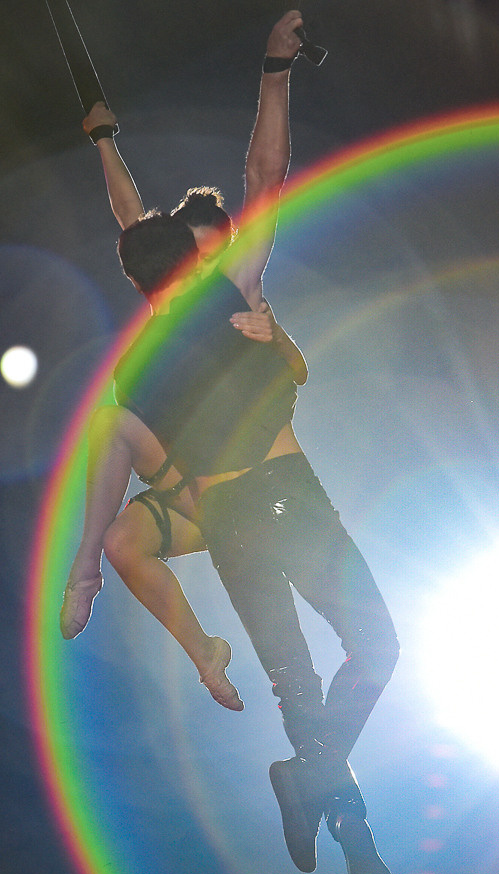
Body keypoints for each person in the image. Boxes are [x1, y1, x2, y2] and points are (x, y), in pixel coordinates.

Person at [65, 12, 401, 874]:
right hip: (273, 495)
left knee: (301, 693)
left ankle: (347, 830)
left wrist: (105, 138)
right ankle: (337, 814)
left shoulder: (180, 326)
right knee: (362, 651)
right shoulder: (215, 293)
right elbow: (253, 179)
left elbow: (150, 212)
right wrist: (274, 69)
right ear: (189, 258)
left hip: (236, 511)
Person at [61, 12, 308, 714]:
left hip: (234, 486)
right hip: (179, 482)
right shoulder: (164, 299)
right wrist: (103, 139)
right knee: (122, 540)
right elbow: (130, 215)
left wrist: (274, 70)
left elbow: (266, 177)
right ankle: (203, 651)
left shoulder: (240, 294)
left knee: (116, 424)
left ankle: (85, 571)